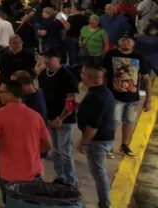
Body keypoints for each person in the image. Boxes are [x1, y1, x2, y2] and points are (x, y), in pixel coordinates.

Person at [0, 80, 52, 204]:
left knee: (12, 204)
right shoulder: (36, 116)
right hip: (33, 173)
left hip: (8, 173)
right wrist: (31, 150)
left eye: (1, 92)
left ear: (9, 95)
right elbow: (48, 145)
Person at [102, 32, 152, 158]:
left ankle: (124, 145)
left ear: (134, 43)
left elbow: (146, 79)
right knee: (113, 122)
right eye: (123, 39)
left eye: (129, 40)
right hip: (114, 97)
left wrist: (148, 100)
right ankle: (109, 146)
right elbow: (102, 73)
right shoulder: (111, 55)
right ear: (118, 42)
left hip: (133, 98)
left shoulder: (139, 57)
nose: (126, 42)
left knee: (130, 122)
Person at [35, 47, 79, 188]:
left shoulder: (67, 76)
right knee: (55, 150)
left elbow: (72, 102)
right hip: (49, 118)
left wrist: (60, 118)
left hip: (64, 121)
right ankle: (60, 176)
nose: (47, 61)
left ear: (58, 59)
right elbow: (41, 94)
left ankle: (70, 181)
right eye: (45, 58)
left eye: (50, 58)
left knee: (65, 151)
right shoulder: (43, 74)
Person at [78, 64, 116, 208]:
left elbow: (93, 125)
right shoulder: (101, 91)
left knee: (99, 174)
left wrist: (85, 142)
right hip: (104, 137)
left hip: (98, 140)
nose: (80, 75)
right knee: (98, 172)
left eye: (82, 73)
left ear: (89, 77)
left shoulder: (96, 97)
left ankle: (105, 204)